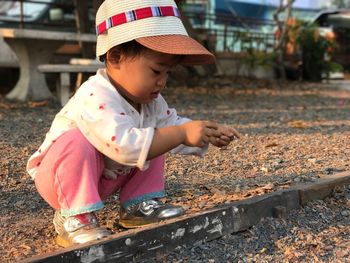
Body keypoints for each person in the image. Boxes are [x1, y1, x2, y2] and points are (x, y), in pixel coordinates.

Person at [27, 0, 240, 248]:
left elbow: (173, 124)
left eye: (167, 73)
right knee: (80, 140)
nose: (162, 82)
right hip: (60, 180)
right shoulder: (95, 96)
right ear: (116, 57)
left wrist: (204, 133)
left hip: (106, 175)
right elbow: (126, 146)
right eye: (156, 71)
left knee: (159, 135)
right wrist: (180, 133)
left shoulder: (150, 101)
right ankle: (73, 216)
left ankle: (139, 205)